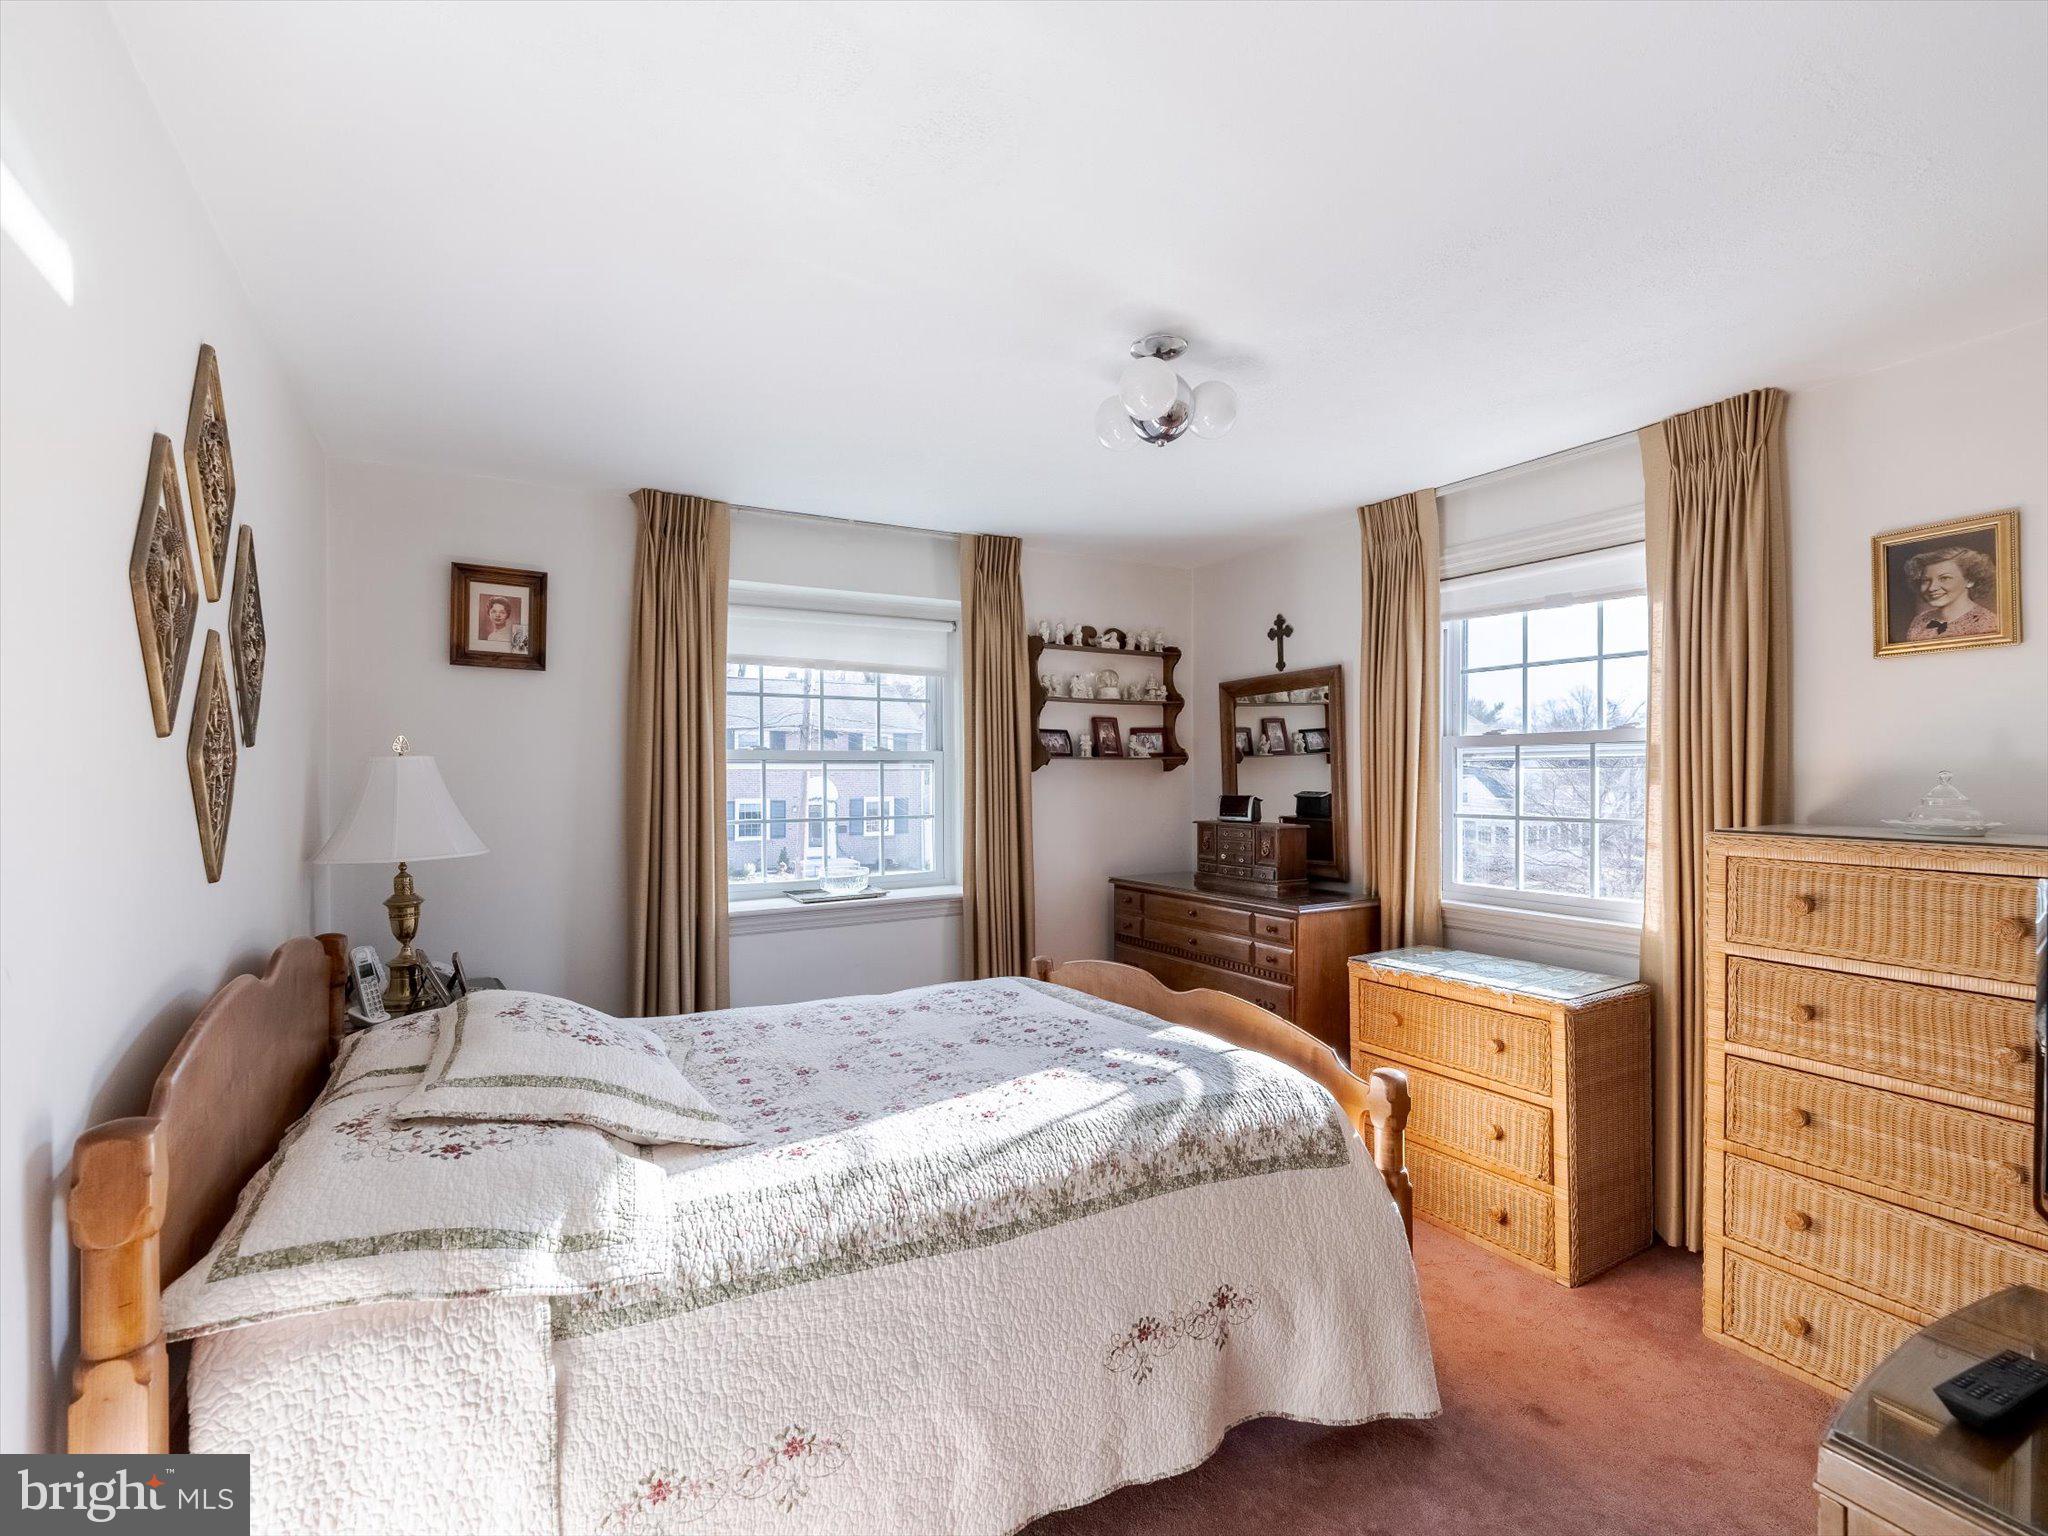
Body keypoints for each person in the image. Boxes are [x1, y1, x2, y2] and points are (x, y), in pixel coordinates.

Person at [1903, 546, 2000, 640]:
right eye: (1926, 580)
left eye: (1945, 578)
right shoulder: (1919, 622)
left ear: (1970, 580)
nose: (1932, 588)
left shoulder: (1987, 624)